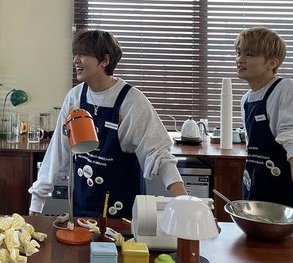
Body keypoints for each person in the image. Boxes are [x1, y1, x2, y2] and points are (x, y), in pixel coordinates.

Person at [29, 29, 186, 219]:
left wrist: (184, 202)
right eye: (75, 54)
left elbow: (159, 155)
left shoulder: (132, 102)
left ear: (104, 60)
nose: (75, 60)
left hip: (123, 215)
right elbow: (58, 151)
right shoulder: (75, 97)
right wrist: (37, 201)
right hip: (81, 210)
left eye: (83, 54)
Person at [235, 26, 293, 207]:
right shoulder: (246, 100)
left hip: (284, 196)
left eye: (249, 54)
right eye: (239, 53)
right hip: (255, 189)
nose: (240, 59)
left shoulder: (285, 89)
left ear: (272, 63)